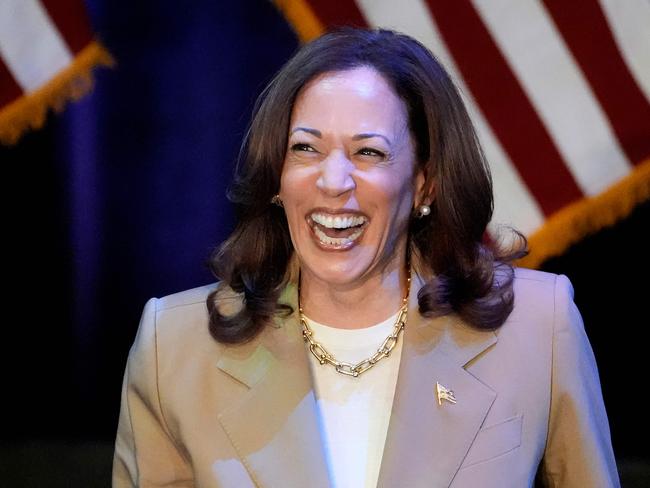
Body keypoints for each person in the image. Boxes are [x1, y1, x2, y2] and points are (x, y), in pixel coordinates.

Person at [112, 27, 620, 487]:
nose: (333, 182)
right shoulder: (174, 348)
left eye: (368, 153)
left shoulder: (536, 328)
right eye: (306, 148)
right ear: (276, 179)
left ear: (425, 182)